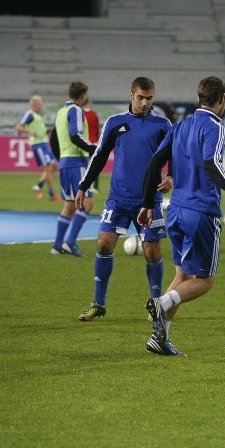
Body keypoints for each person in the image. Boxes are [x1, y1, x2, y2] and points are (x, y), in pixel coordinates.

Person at [137, 76, 225, 356]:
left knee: (182, 275)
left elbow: (155, 161)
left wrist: (147, 201)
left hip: (176, 210)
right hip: (201, 212)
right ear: (222, 100)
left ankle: (159, 338)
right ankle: (162, 302)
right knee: (205, 280)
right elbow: (211, 164)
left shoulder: (181, 126)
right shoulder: (214, 126)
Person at [74, 77, 173, 325]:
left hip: (148, 200)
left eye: (149, 98)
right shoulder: (116, 123)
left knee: (152, 251)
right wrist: (84, 187)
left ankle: (155, 303)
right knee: (104, 245)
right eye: (141, 97)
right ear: (131, 95)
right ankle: (99, 303)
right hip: (118, 198)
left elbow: (176, 156)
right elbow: (99, 156)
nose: (145, 103)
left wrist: (172, 175)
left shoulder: (162, 125)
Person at [50, 81, 96, 258]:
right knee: (88, 203)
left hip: (65, 162)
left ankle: (56, 245)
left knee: (69, 205)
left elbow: (53, 138)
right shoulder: (76, 110)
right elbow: (75, 135)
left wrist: (60, 157)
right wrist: (93, 148)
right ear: (83, 95)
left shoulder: (61, 112)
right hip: (76, 162)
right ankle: (70, 242)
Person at [15, 95, 60, 202]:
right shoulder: (30, 114)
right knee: (48, 168)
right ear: (34, 104)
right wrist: (30, 132)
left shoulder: (37, 116)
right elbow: (19, 126)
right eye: (40, 104)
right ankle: (51, 194)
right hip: (38, 144)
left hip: (44, 144)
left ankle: (39, 186)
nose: (41, 106)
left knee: (54, 166)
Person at [82, 98, 101, 193]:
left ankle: (85, 185)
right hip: (95, 142)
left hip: (84, 143)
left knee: (85, 165)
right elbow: (97, 129)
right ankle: (96, 187)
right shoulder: (94, 114)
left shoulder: (80, 113)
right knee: (95, 165)